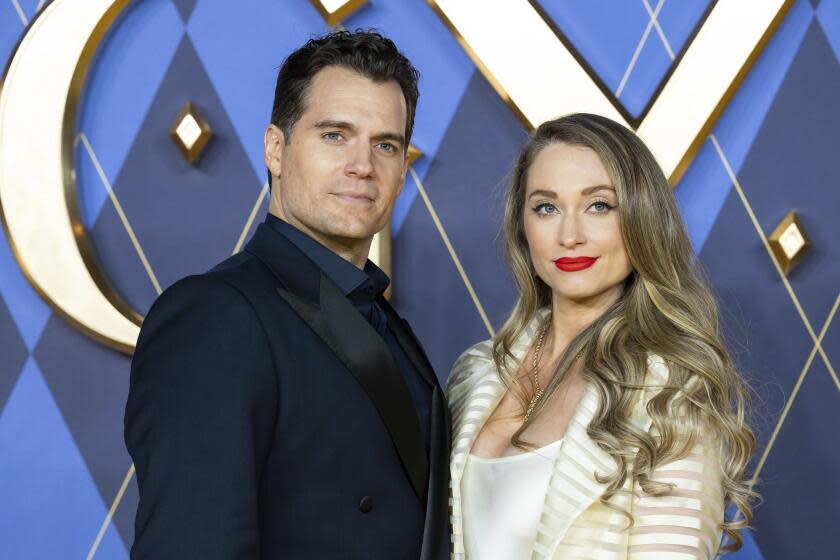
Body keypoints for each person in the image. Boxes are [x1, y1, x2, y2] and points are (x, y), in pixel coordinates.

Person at [125, 30, 449, 559]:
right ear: (276, 148)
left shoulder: (387, 324)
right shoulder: (216, 316)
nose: (362, 166)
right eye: (335, 135)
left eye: (385, 145)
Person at [446, 114, 756, 559]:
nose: (570, 235)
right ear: (522, 226)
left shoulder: (671, 392)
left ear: (641, 219)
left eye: (599, 206)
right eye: (546, 207)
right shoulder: (476, 373)